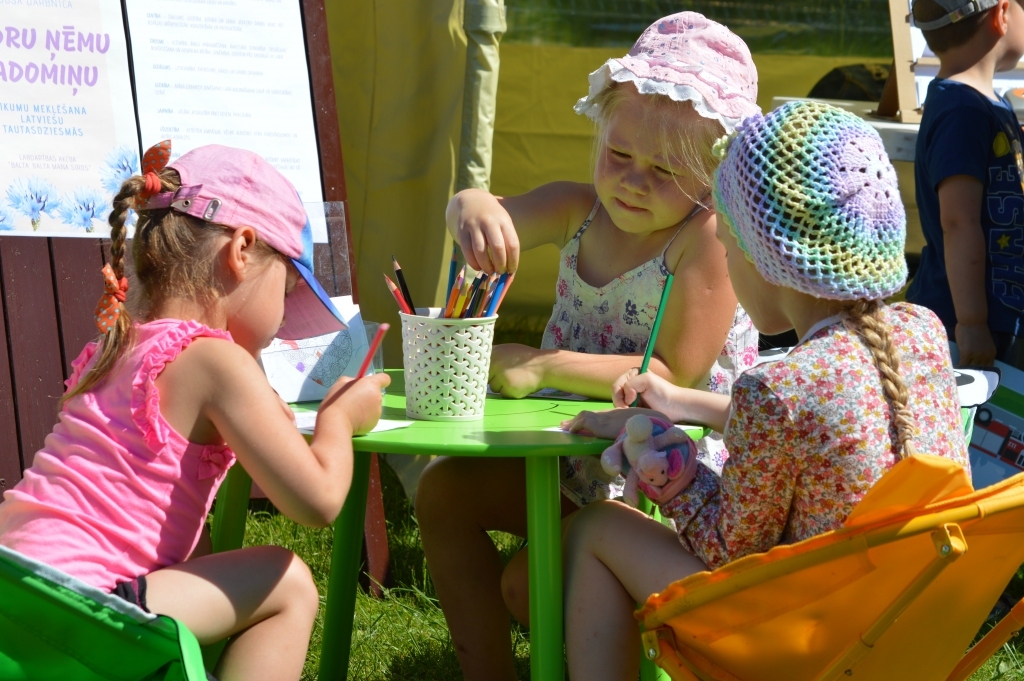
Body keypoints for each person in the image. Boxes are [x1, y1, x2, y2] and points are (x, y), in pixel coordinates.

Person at [560, 101, 970, 680]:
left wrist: (664, 462)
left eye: (728, 249)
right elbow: (827, 430)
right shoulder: (921, 332)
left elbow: (727, 553)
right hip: (906, 627)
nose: (725, 262)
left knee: (597, 530)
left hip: (802, 641)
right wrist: (683, 405)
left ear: (766, 258)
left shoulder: (777, 391)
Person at [415, 13, 760, 679]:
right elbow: (489, 212)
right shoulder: (581, 209)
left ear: (715, 175)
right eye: (619, 155)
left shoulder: (706, 238)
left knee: (526, 584)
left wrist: (542, 365)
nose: (633, 181)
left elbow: (672, 372)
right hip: (570, 458)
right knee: (443, 491)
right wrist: (470, 206)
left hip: (665, 480)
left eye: (664, 169)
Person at [0, 143, 388, 681]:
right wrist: (339, 420)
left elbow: (162, 519)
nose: (282, 318)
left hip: (14, 584)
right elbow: (318, 501)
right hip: (80, 601)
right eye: (290, 285)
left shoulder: (119, 343)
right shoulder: (216, 360)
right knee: (287, 582)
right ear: (243, 249)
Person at [905, 0, 1024, 367]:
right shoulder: (963, 111)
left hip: (995, 314)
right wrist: (971, 323)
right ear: (1002, 14)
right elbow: (958, 221)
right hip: (967, 326)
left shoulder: (985, 104)